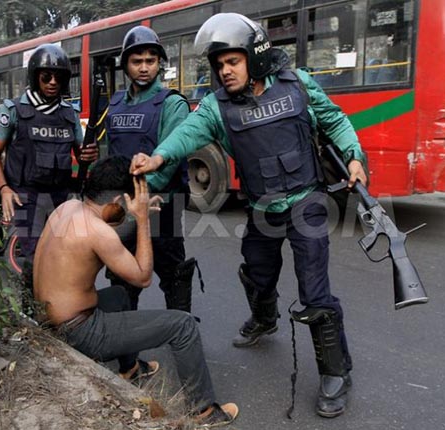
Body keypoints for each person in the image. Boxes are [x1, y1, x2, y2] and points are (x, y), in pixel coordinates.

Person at [130, 13, 369, 418]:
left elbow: (334, 120)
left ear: (254, 58)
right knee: (257, 274)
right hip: (262, 207)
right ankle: (264, 317)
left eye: (233, 62)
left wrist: (354, 157)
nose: (225, 71)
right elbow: (187, 132)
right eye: (219, 64)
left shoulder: (297, 85)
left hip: (306, 201)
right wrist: (159, 156)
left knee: (315, 293)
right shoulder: (216, 106)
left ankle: (335, 373)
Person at [32, 155, 239, 427]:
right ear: (118, 201)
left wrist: (134, 214)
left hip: (50, 321)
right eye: (127, 204)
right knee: (183, 325)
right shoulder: (99, 232)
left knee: (119, 294)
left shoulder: (67, 207)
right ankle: (204, 412)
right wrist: (142, 220)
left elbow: (106, 232)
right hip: (80, 332)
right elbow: (143, 277)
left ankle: (130, 369)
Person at [0, 43, 99, 307]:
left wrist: (89, 154)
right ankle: (32, 311)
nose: (52, 82)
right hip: (26, 196)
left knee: (66, 254)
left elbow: (81, 152)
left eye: (59, 77)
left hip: (61, 196)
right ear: (35, 76)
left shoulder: (69, 114)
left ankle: (63, 309)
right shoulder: (13, 111)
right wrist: (4, 189)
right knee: (34, 258)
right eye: (46, 76)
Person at [105, 26, 197, 313]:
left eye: (151, 61)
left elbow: (168, 162)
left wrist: (137, 200)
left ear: (159, 64)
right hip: (124, 206)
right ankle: (124, 336)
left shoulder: (172, 104)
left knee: (173, 274)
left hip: (162, 206)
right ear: (126, 65)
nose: (144, 68)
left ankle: (181, 328)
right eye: (137, 61)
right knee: (121, 277)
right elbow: (112, 155)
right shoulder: (115, 103)